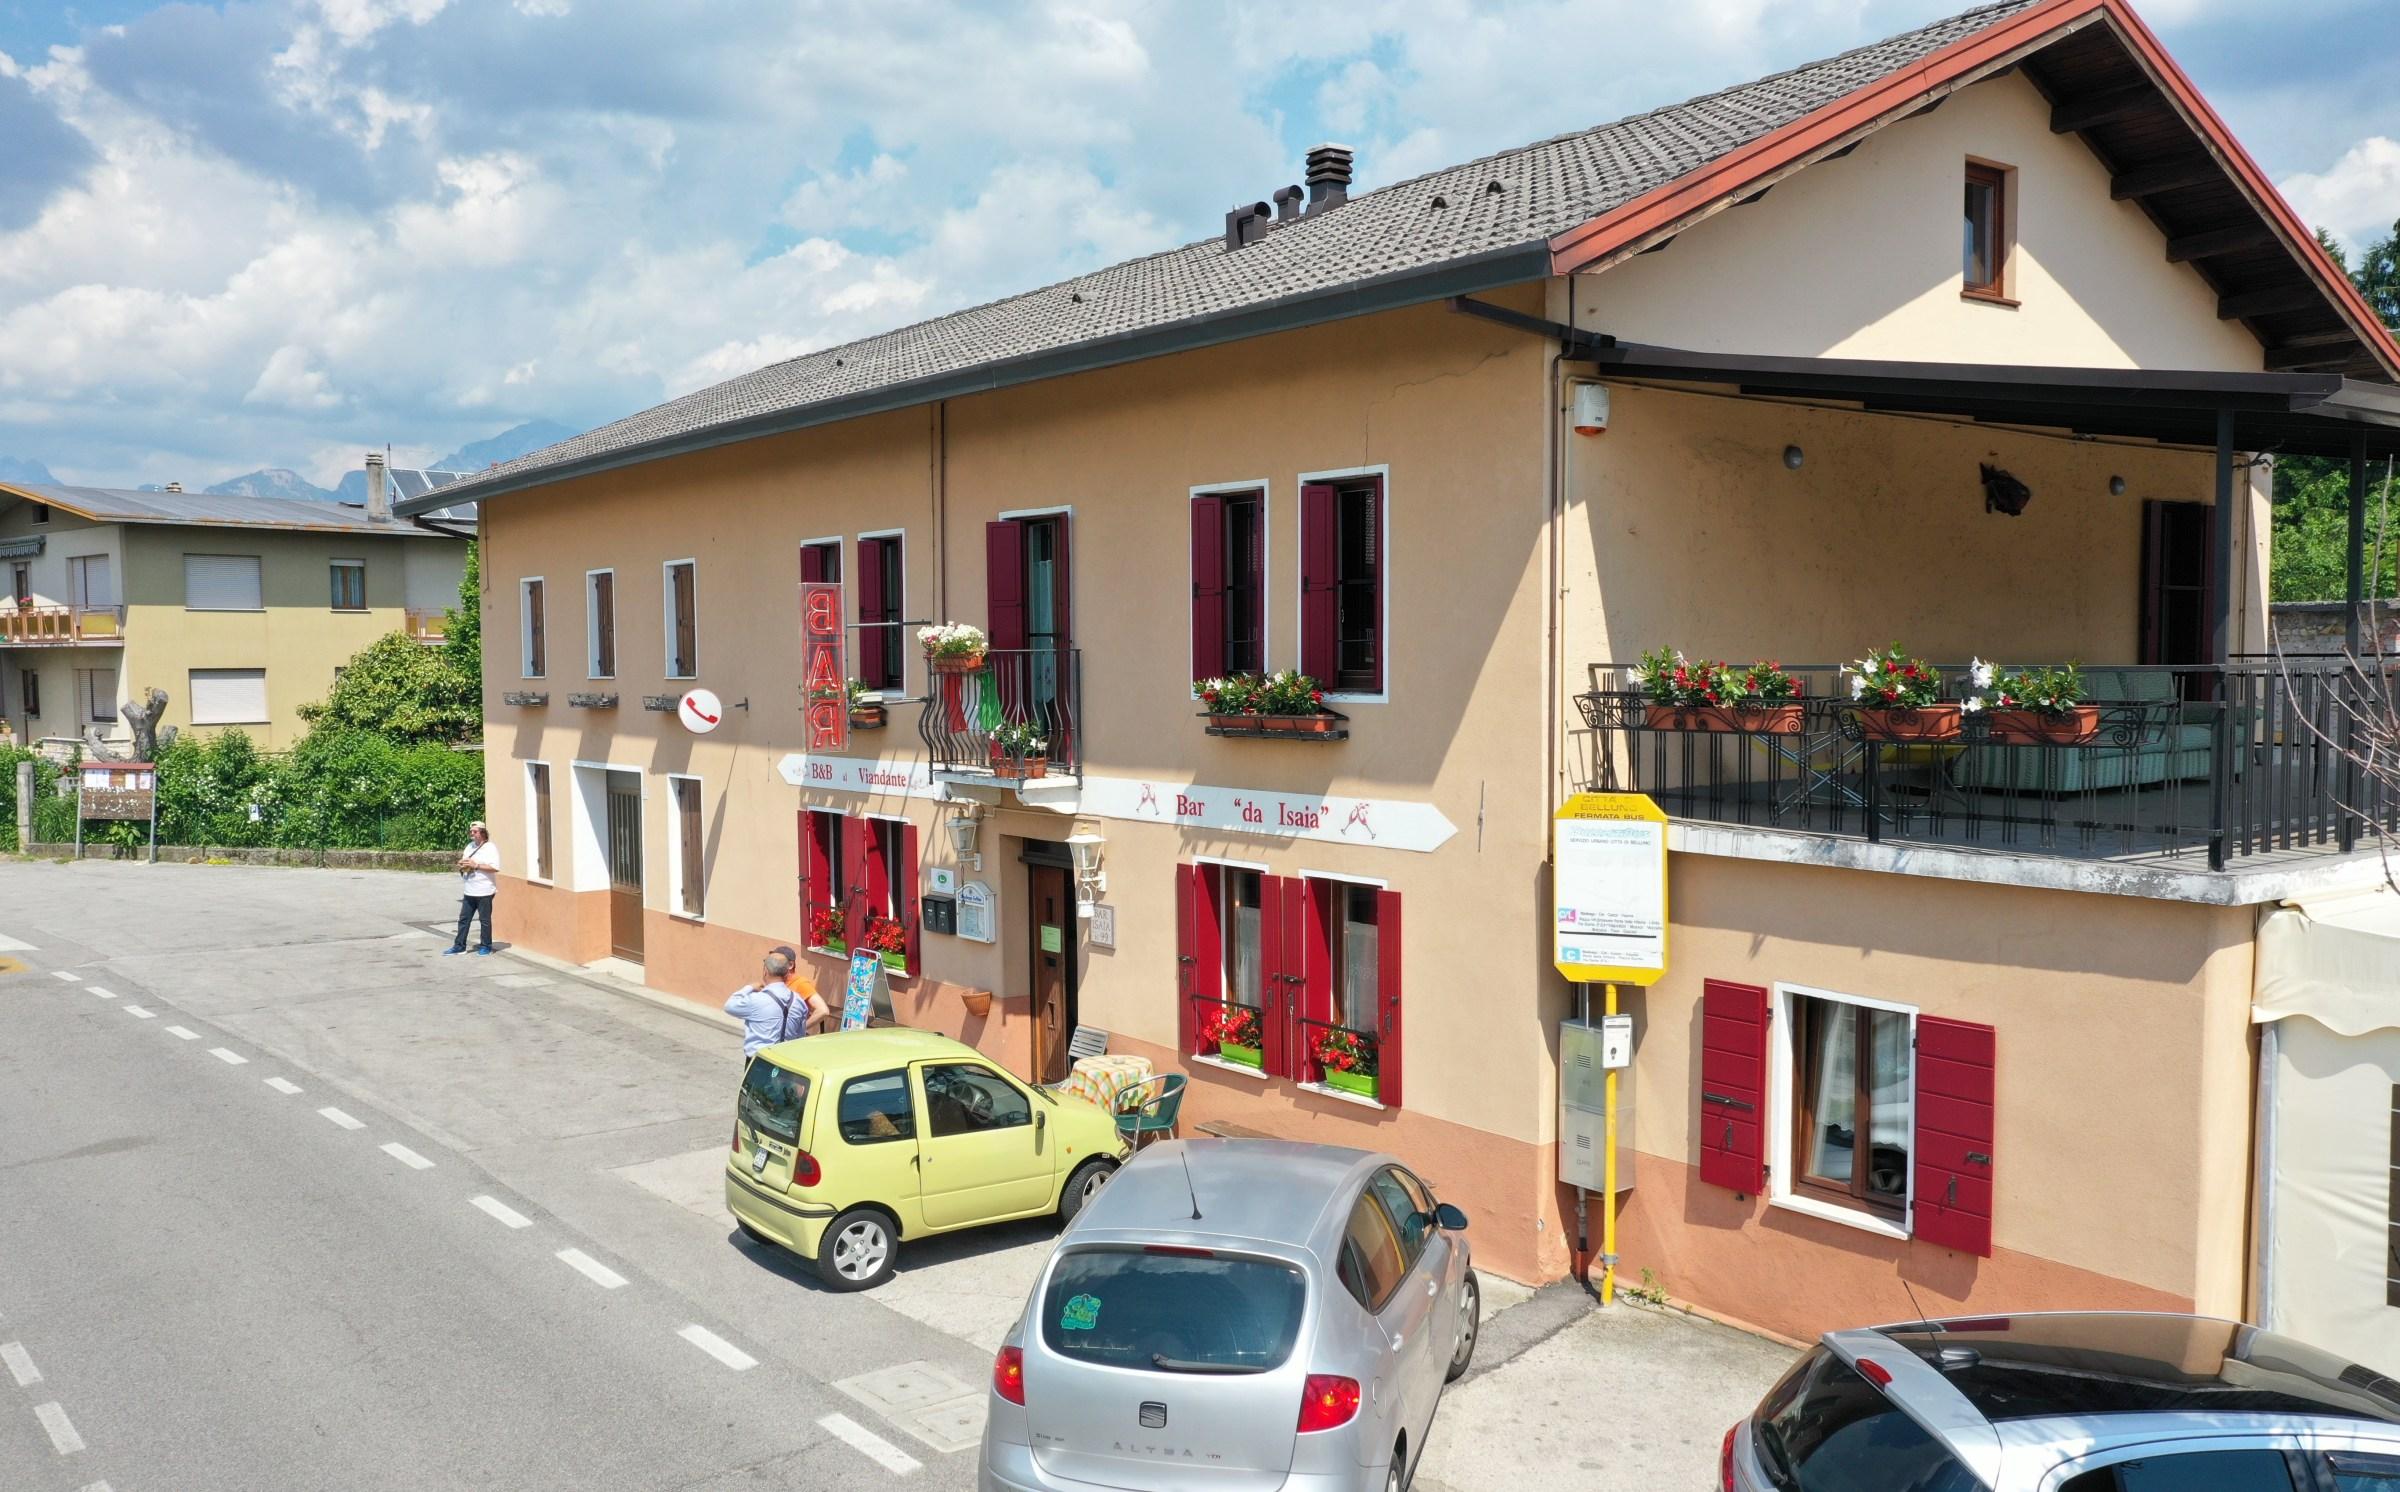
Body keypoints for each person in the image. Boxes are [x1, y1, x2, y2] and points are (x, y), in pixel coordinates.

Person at [725, 948, 827, 1059]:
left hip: (760, 1059)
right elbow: (800, 1033)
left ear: (765, 971)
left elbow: (730, 1006)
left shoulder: (758, 999)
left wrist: (749, 987)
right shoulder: (798, 1000)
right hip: (786, 1058)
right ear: (786, 972)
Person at [444, 821, 501, 956]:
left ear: (482, 833)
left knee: (484, 920)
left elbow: (495, 867)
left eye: (474, 832)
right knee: (464, 919)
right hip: (469, 890)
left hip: (485, 890)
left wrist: (476, 865)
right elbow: (466, 862)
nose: (472, 834)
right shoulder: (469, 847)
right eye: (470, 832)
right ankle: (459, 946)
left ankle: (486, 946)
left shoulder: (490, 848)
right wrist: (462, 864)